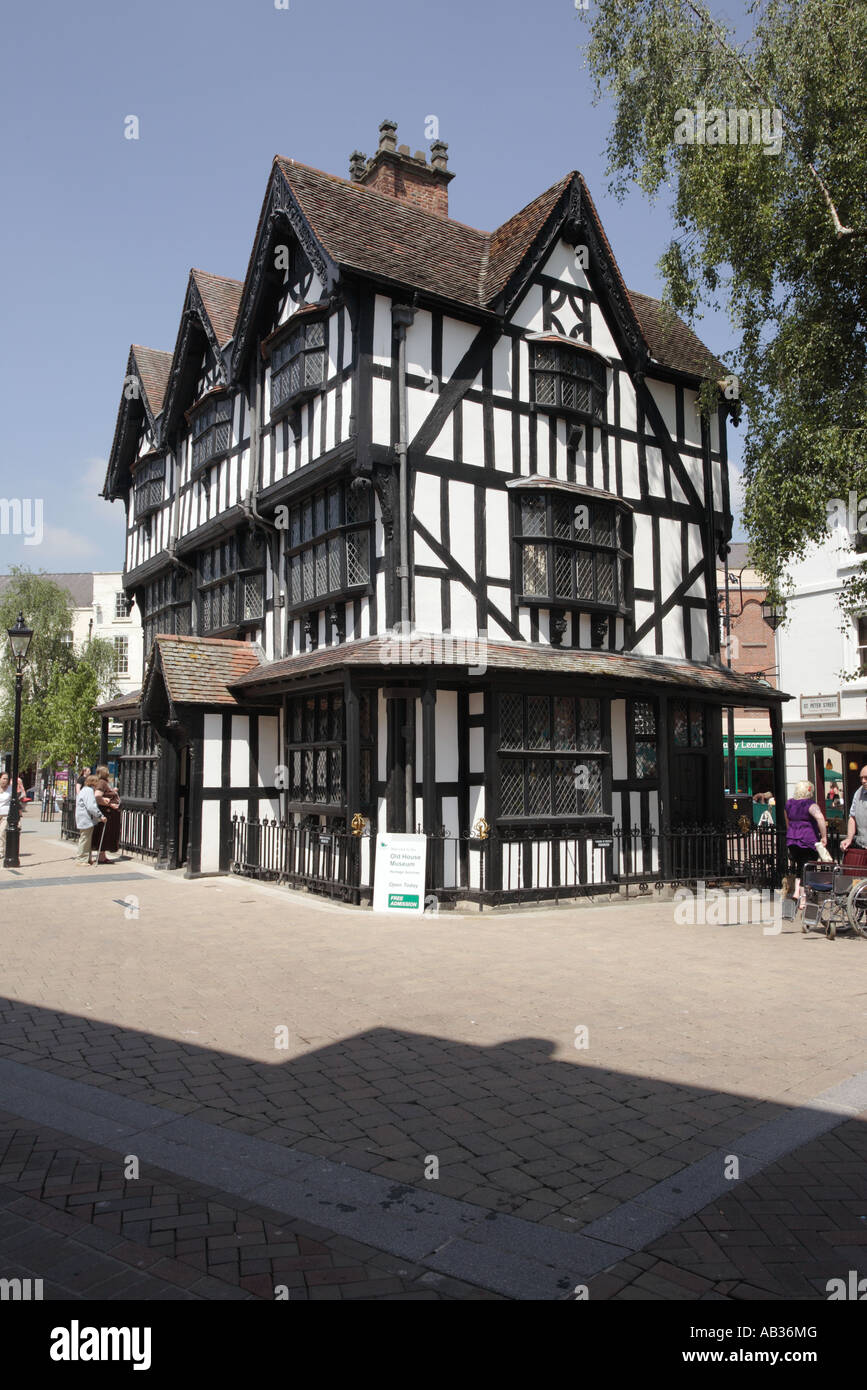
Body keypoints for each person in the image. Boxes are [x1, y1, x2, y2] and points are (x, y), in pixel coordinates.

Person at [784, 780, 829, 899]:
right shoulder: (810, 804)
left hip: (792, 839)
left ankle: (796, 892)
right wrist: (824, 836)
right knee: (807, 868)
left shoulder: (789, 804)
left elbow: (787, 821)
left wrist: (792, 831)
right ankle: (803, 897)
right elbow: (820, 818)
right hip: (807, 840)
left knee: (799, 866)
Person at [74, 775, 105, 866]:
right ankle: (81, 859)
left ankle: (87, 858)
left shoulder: (85, 790)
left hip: (84, 818)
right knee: (85, 839)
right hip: (86, 819)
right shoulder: (88, 791)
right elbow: (91, 806)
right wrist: (100, 816)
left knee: (87, 839)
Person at [92, 764, 120, 864]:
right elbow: (97, 797)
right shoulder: (101, 783)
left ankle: (102, 856)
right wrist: (110, 804)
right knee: (103, 833)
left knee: (106, 834)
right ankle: (101, 856)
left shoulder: (104, 782)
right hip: (106, 812)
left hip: (109, 812)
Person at [840, 766, 867, 868]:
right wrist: (849, 838)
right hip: (862, 847)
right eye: (861, 778)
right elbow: (852, 817)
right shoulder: (859, 792)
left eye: (866, 778)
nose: (863, 781)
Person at [0, 773, 11, 862]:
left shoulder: (11, 789)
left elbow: (21, 795)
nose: (5, 780)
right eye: (3, 778)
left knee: (2, 833)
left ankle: (1, 852)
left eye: (6, 779)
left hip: (5, 814)